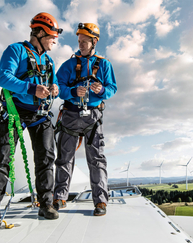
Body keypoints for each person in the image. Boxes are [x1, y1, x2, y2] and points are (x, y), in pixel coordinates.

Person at [0, 12, 62, 224]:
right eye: (53, 36)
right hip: (14, 111)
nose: (55, 40)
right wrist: (32, 88)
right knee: (1, 159)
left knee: (46, 158)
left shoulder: (49, 60)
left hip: (40, 114)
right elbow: (3, 77)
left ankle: (46, 204)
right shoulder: (15, 50)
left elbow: (55, 86)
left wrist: (55, 89)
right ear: (41, 33)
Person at [53, 23, 117, 216]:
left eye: (84, 41)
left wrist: (102, 90)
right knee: (64, 158)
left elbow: (112, 88)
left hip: (93, 117)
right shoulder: (69, 65)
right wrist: (72, 92)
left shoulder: (104, 65)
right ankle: (59, 198)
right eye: (79, 41)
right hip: (71, 115)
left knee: (96, 158)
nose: (80, 44)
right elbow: (57, 87)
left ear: (94, 41)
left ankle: (100, 202)